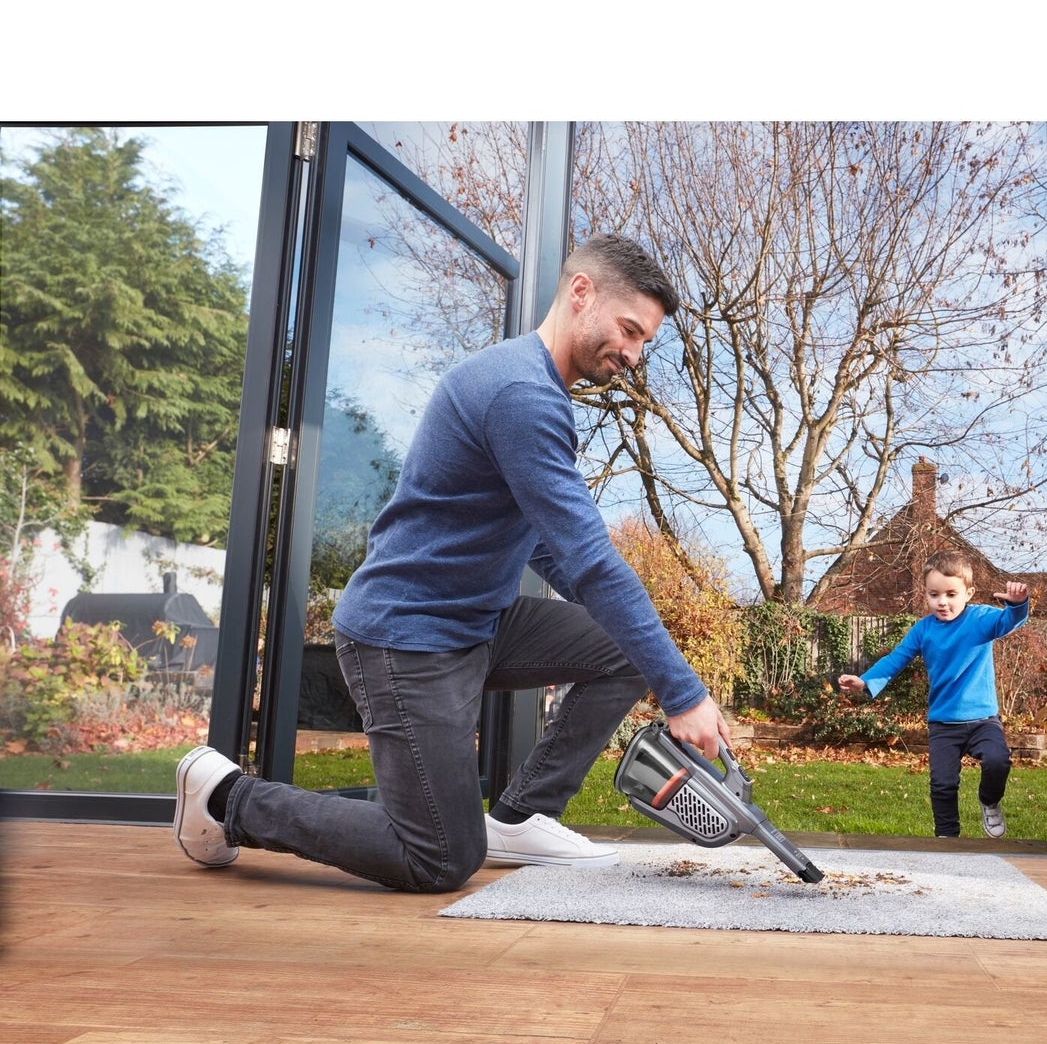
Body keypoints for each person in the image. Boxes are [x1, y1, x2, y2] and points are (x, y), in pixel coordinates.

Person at [173, 234, 730, 893]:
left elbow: (547, 544)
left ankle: (523, 817)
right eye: (630, 330)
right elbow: (590, 561)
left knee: (623, 648)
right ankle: (227, 798)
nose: (634, 355)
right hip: (406, 639)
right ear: (581, 293)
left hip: (475, 623)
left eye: (644, 342)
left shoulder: (534, 387)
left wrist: (647, 652)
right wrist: (684, 694)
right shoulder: (520, 393)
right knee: (439, 857)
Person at [838, 552, 1029, 840]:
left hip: (983, 720)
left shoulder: (980, 619)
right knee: (942, 784)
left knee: (997, 760)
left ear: (968, 593)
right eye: (934, 594)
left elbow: (1008, 621)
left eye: (951, 594)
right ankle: (946, 838)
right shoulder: (923, 630)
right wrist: (865, 681)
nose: (942, 602)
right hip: (943, 724)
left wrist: (1017, 604)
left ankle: (989, 801)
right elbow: (896, 659)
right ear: (925, 594)